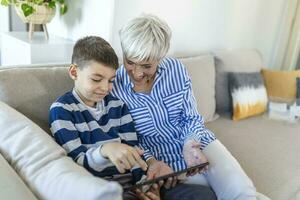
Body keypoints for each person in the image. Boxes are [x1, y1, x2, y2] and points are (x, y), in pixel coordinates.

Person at [49, 36, 216, 200]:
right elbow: (77, 163)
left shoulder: (117, 106)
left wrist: (148, 185)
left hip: (134, 188)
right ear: (74, 72)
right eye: (96, 79)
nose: (105, 88)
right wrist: (105, 151)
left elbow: (135, 151)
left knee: (203, 195)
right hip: (101, 189)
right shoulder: (62, 110)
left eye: (111, 80)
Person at [111, 14, 258, 200]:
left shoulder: (176, 70)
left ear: (160, 57)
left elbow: (191, 117)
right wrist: (151, 161)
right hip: (159, 160)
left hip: (197, 142)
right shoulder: (114, 86)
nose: (138, 73)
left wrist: (190, 144)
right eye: (130, 62)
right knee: (208, 195)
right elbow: (127, 138)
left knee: (242, 191)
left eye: (147, 65)